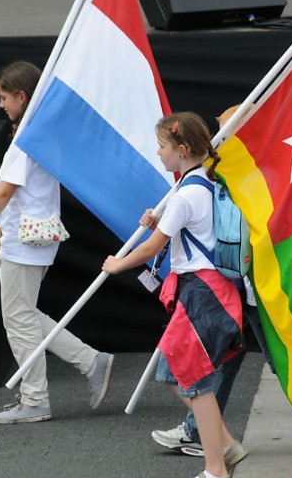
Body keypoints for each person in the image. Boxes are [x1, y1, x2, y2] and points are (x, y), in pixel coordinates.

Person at [147, 105, 292, 460]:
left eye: (225, 129)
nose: (218, 137)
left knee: (283, 358)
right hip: (236, 285)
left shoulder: (249, 173)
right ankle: (200, 432)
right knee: (225, 361)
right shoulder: (224, 172)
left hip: (254, 286)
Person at [0, 60, 114, 425]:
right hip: (31, 235)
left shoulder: (28, 137)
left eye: (4, 97)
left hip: (26, 241)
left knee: (19, 320)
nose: (0, 104)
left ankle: (36, 399)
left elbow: (5, 192)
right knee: (24, 314)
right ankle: (91, 361)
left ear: (22, 96)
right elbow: (27, 194)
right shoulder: (39, 132)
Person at [102, 112, 245, 478]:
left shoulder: (185, 195)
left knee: (194, 383)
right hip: (208, 292)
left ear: (181, 150)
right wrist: (160, 223)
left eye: (162, 146)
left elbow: (151, 248)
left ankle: (216, 468)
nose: (158, 152)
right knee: (172, 372)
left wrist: (117, 265)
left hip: (202, 294)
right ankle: (225, 446)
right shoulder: (204, 183)